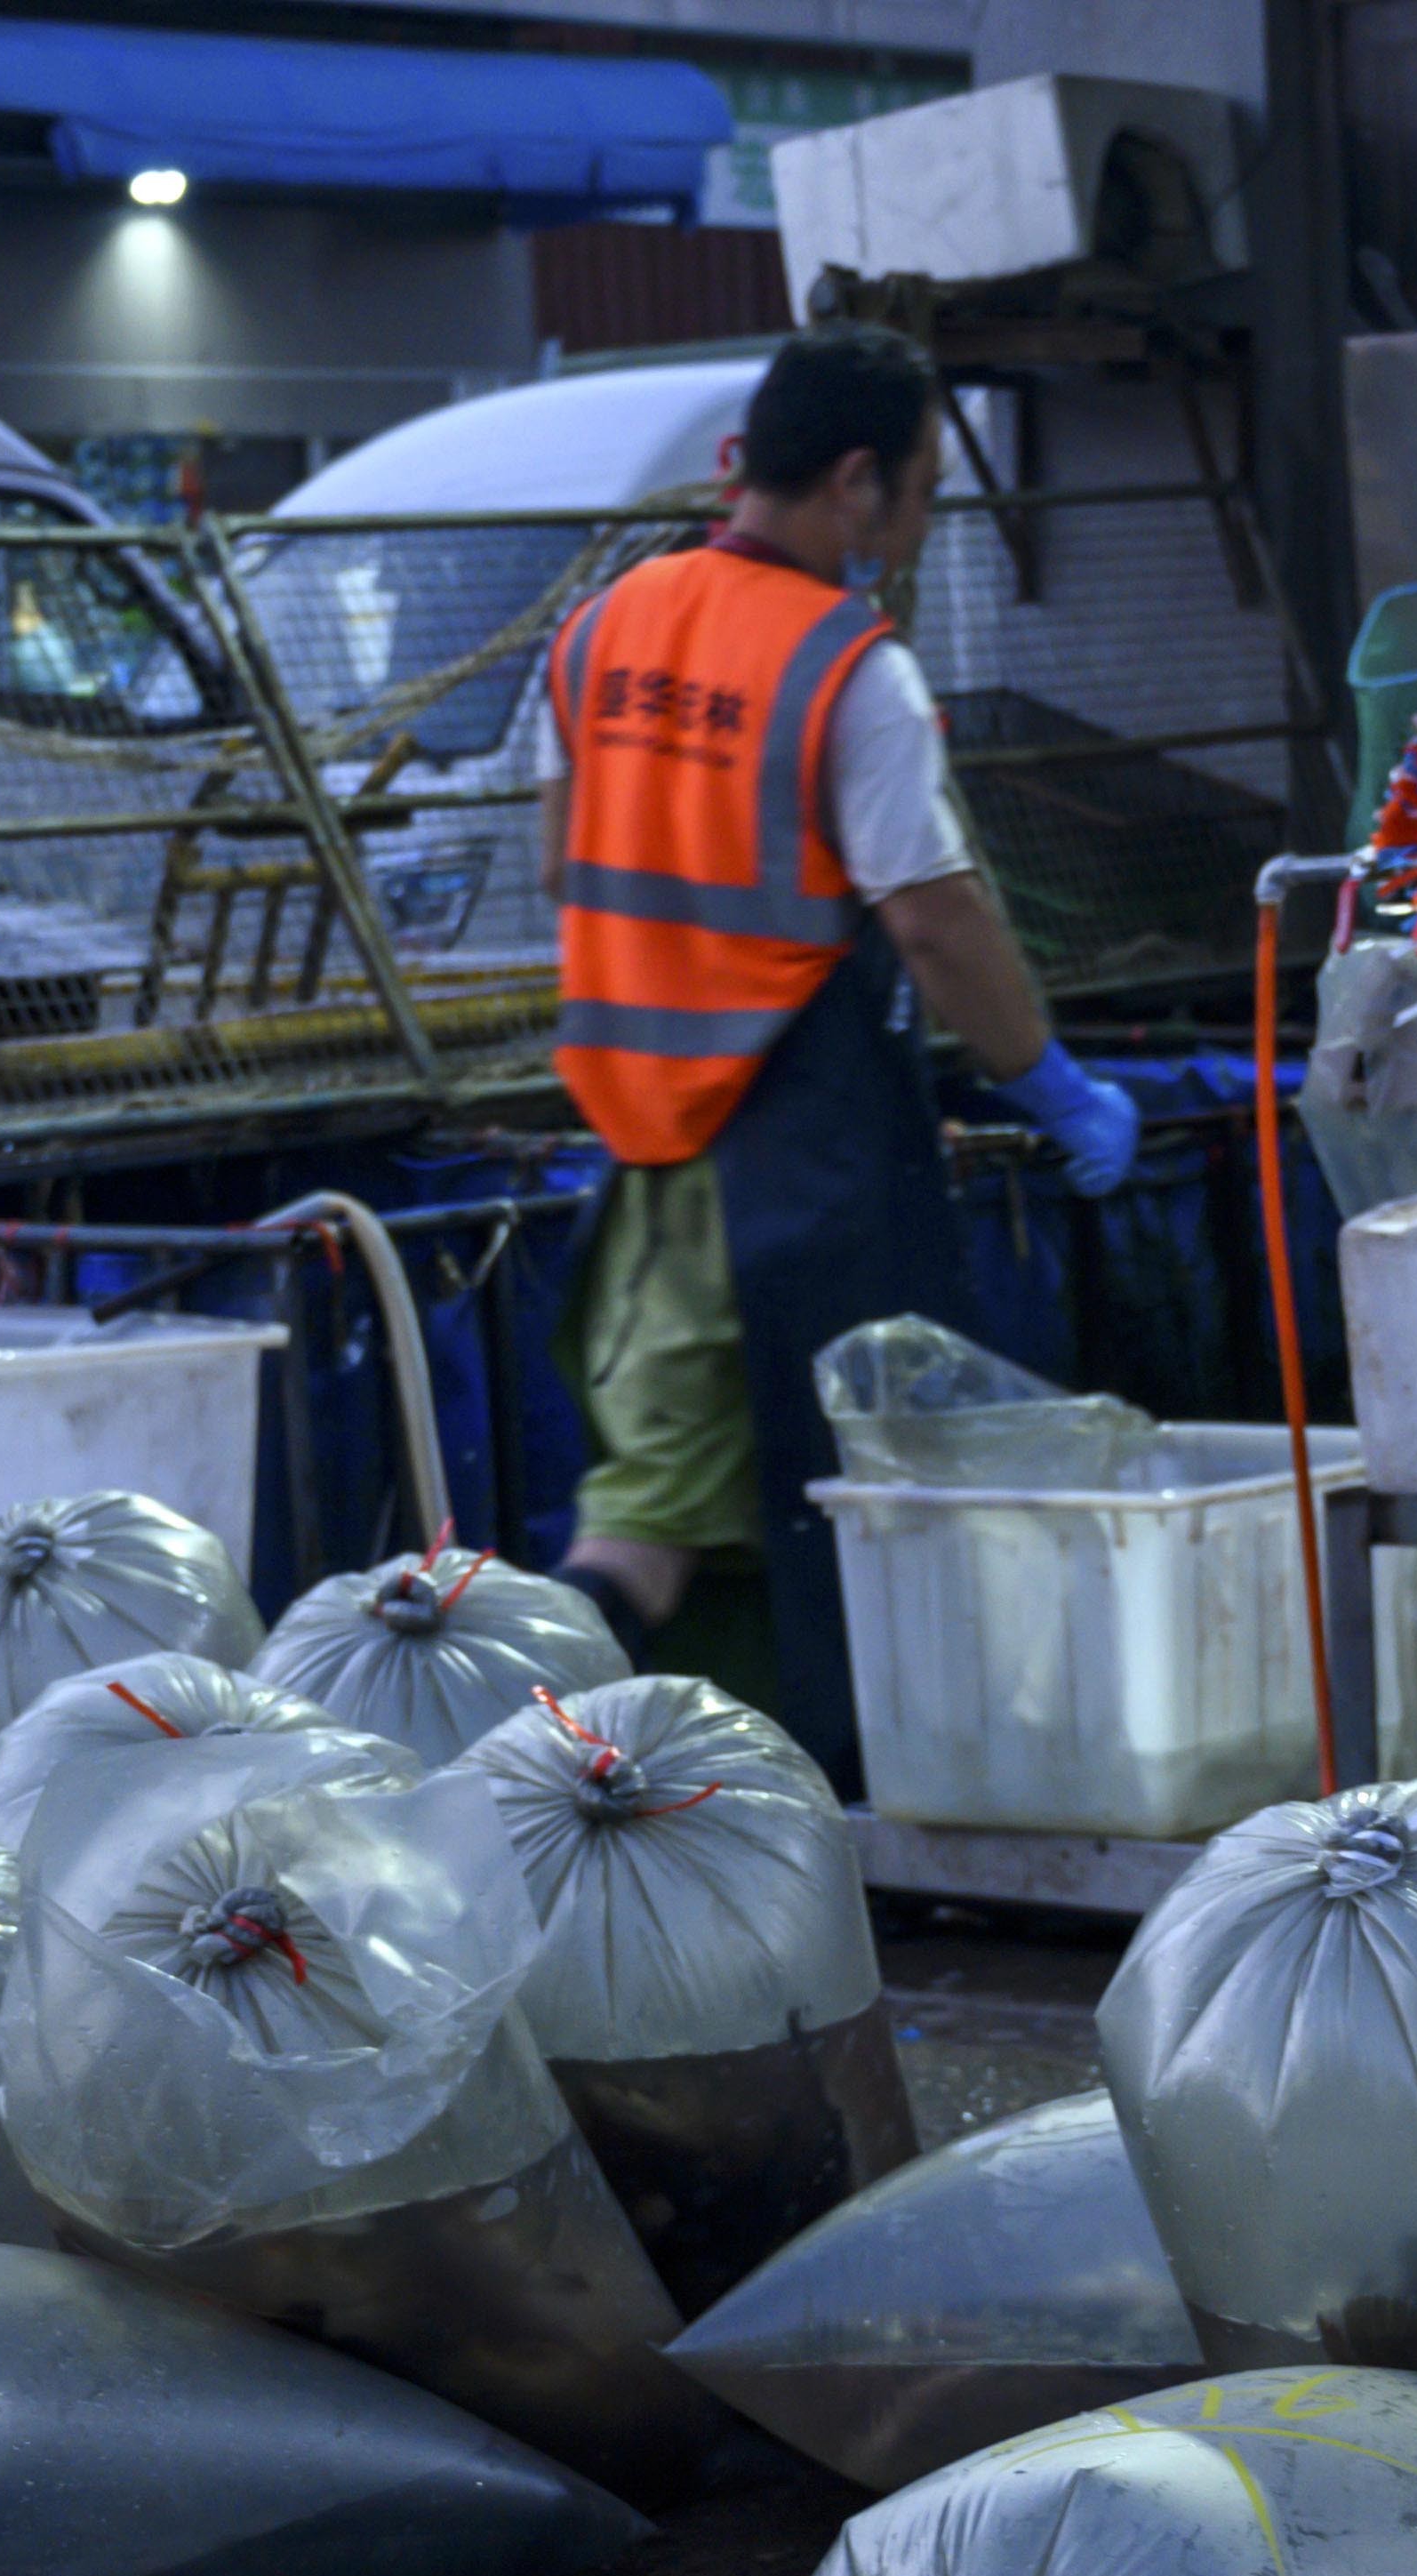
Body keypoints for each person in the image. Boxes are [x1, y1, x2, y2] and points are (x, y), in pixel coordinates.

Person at [533, 321, 1140, 1786]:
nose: (923, 523)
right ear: (856, 482)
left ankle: (701, 1809)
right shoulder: (848, 672)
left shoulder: (599, 629)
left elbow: (565, 856)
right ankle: (504, 1758)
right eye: (928, 491)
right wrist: (1046, 1081)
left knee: (709, 1507)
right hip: (795, 1158)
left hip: (646, 1149)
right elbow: (934, 922)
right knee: (707, 1522)